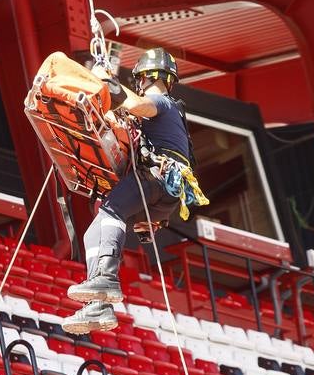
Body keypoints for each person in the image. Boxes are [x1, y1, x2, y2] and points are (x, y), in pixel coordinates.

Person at [62, 47, 208, 335]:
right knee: (97, 226)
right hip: (163, 194)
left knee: (110, 211)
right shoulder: (171, 114)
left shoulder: (160, 102)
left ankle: (105, 279)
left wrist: (109, 86)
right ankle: (98, 306)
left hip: (155, 180)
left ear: (143, 77)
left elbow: (139, 105)